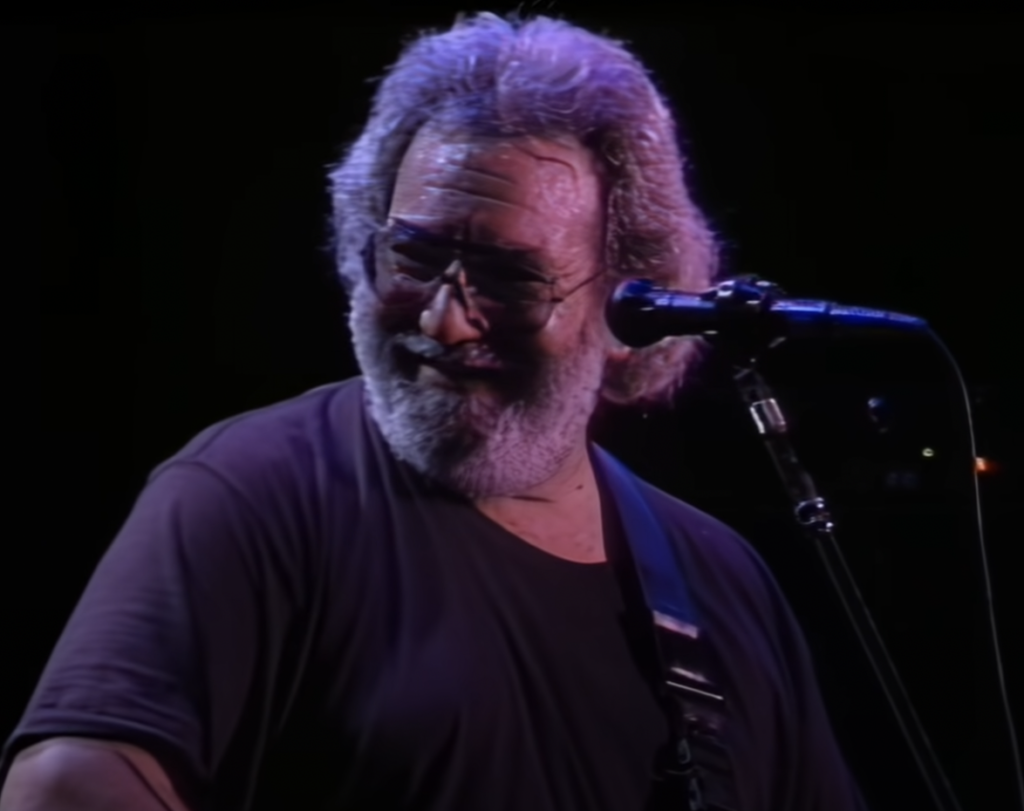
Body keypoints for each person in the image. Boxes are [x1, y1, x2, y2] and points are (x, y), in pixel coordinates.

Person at [0, 13, 868, 811]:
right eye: (414, 255)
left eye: (509, 275)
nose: (445, 319)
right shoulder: (251, 493)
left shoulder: (719, 578)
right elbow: (66, 790)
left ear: (629, 307)